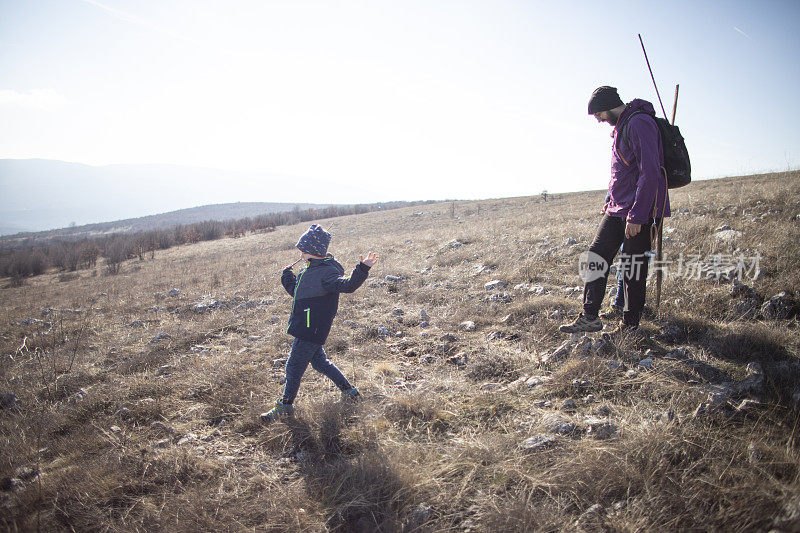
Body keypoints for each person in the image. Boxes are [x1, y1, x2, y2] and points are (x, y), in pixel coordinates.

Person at [560, 86, 669, 334]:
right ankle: (590, 317)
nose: (597, 119)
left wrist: (638, 216)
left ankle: (629, 327)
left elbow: (650, 173)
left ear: (608, 106)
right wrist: (611, 200)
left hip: (642, 211)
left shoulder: (640, 122)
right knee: (596, 257)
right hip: (618, 208)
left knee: (632, 267)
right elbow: (623, 171)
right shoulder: (621, 127)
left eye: (598, 114)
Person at [260, 224, 379, 423]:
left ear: (310, 252)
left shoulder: (327, 273)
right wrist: (287, 279)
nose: (299, 252)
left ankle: (285, 406)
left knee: (293, 367)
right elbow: (298, 294)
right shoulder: (309, 270)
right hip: (308, 327)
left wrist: (362, 268)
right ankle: (350, 392)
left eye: (302, 249)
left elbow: (348, 286)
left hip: (310, 328)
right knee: (320, 363)